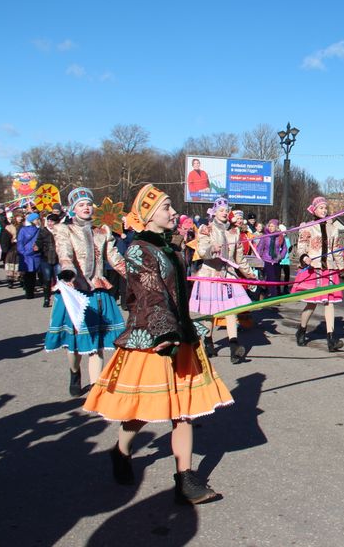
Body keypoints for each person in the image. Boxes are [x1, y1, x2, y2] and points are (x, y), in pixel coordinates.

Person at [84, 184, 233, 504]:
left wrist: (189, 324)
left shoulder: (173, 249)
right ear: (150, 215)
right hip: (153, 340)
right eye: (166, 207)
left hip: (179, 336)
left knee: (183, 411)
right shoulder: (139, 250)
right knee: (141, 409)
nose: (173, 211)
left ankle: (185, 479)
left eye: (171, 206)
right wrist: (165, 335)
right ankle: (121, 451)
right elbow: (151, 295)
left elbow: (177, 294)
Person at [45, 188, 127, 397]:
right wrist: (67, 271)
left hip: (97, 291)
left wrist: (137, 275)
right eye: (81, 205)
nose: (86, 207)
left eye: (88, 204)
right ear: (73, 209)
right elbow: (64, 252)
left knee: (96, 344)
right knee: (74, 347)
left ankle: (95, 389)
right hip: (75, 291)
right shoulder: (65, 230)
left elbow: (115, 259)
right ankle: (74, 372)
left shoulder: (103, 232)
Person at [189, 197, 254, 364]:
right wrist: (212, 249)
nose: (224, 213)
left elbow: (239, 258)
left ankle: (234, 346)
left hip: (228, 276)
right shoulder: (206, 229)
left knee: (231, 310)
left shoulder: (234, 232)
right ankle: (208, 340)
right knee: (210, 312)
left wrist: (249, 274)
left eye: (226, 210)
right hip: (210, 275)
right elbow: (202, 251)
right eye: (221, 210)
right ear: (214, 212)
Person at [292, 196, 344, 352]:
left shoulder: (333, 228)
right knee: (312, 304)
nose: (324, 210)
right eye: (321, 208)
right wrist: (304, 257)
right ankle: (301, 329)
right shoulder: (308, 227)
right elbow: (301, 247)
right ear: (314, 210)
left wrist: (343, 268)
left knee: (329, 303)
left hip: (328, 269)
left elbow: (336, 251)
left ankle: (331, 339)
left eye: (325, 208)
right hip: (313, 269)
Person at [258, 219, 288, 299]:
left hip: (276, 260)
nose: (270, 228)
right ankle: (273, 297)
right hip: (266, 259)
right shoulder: (265, 236)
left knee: (276, 278)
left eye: (272, 226)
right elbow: (260, 248)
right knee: (271, 278)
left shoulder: (280, 237)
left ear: (276, 227)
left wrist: (281, 256)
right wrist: (259, 259)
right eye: (269, 226)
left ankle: (266, 293)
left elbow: (284, 248)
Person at [16, 212, 43, 299]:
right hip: (32, 254)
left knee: (31, 275)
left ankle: (29, 292)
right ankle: (31, 291)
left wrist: (23, 252)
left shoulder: (26, 230)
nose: (38, 220)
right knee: (32, 274)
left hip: (31, 255)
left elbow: (20, 242)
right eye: (36, 219)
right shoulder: (36, 230)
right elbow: (20, 242)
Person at [37, 212, 60, 307]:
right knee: (47, 279)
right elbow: (39, 241)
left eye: (52, 221)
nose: (50, 223)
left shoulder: (60, 231)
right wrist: (37, 247)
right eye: (49, 221)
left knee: (60, 280)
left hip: (58, 258)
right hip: (46, 258)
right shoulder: (43, 231)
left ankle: (60, 299)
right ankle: (46, 299)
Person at [0, 210, 23, 288]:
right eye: (18, 217)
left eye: (21, 217)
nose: (20, 218)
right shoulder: (9, 227)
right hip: (12, 248)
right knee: (11, 264)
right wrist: (11, 241)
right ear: (15, 217)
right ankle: (10, 281)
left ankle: (21, 279)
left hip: (21, 248)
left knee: (20, 265)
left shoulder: (24, 226)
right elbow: (4, 239)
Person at [277, 223, 292, 296]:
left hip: (286, 261)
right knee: (278, 276)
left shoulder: (287, 239)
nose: (284, 233)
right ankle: (278, 290)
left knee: (287, 275)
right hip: (280, 261)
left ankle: (286, 288)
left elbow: (289, 248)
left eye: (285, 232)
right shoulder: (278, 239)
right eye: (283, 232)